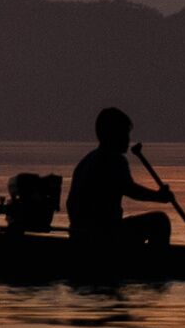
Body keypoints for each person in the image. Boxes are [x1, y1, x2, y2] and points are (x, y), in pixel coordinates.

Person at [68, 107, 178, 249]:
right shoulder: (114, 159)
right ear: (112, 134)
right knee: (160, 222)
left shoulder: (85, 162)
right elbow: (130, 189)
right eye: (125, 133)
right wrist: (159, 196)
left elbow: (70, 203)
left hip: (79, 235)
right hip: (103, 237)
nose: (128, 139)